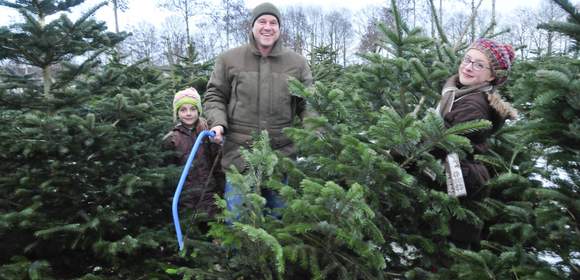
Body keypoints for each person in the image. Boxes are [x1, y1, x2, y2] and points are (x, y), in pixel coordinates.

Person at [203, 2, 313, 217]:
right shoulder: (229, 59)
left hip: (279, 154)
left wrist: (313, 129)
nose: (267, 27)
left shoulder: (297, 63)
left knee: (278, 217)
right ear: (252, 26)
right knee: (236, 218)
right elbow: (214, 94)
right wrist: (217, 123)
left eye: (273, 22)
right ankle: (236, 252)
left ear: (279, 29)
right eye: (262, 21)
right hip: (239, 153)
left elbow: (309, 102)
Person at [436, 38, 518, 249]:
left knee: (452, 248)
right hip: (463, 174)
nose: (468, 67)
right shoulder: (460, 93)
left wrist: (398, 152)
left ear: (492, 76)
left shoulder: (472, 103)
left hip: (459, 178)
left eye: (479, 65)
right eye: (467, 59)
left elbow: (442, 142)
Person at [163, 88, 225, 231]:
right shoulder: (172, 139)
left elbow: (218, 164)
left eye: (192, 109)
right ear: (177, 113)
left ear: (198, 110)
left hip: (211, 193)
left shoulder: (209, 133)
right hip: (187, 196)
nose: (188, 113)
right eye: (183, 110)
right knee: (192, 232)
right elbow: (169, 171)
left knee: (214, 230)